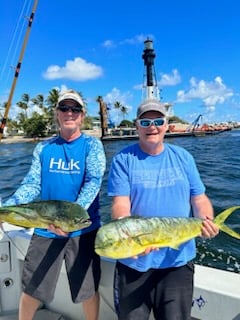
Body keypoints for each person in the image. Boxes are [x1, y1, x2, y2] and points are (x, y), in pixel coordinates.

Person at [107, 99, 219, 320]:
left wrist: (206, 221)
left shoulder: (183, 157)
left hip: (178, 262)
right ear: (137, 125)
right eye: (145, 122)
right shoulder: (123, 159)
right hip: (134, 262)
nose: (152, 127)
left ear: (166, 125)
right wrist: (130, 235)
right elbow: (120, 203)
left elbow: (199, 199)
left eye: (158, 121)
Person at [3, 89, 106, 320]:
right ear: (57, 113)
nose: (69, 112)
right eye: (64, 108)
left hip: (83, 229)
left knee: (87, 290)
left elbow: (93, 182)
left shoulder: (92, 145)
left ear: (82, 115)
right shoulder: (43, 148)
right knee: (31, 289)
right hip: (45, 228)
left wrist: (69, 218)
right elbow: (32, 184)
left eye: (75, 109)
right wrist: (8, 207)